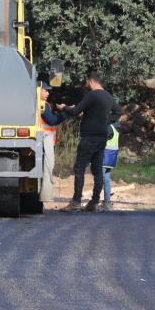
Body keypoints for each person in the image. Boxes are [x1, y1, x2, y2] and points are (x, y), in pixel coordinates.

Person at [57, 73, 121, 212]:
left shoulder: (92, 95)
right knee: (97, 170)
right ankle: (94, 202)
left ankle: (76, 201)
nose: (86, 84)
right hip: (102, 137)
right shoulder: (108, 96)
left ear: (92, 81)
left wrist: (63, 108)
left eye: (87, 81)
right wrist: (104, 120)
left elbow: (74, 111)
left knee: (79, 168)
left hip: (89, 137)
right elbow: (117, 112)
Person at [38, 83, 66, 204]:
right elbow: (52, 120)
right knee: (48, 168)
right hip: (45, 140)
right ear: (38, 90)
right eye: (46, 91)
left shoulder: (34, 103)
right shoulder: (42, 105)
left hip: (41, 139)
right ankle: (46, 196)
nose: (48, 93)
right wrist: (65, 112)